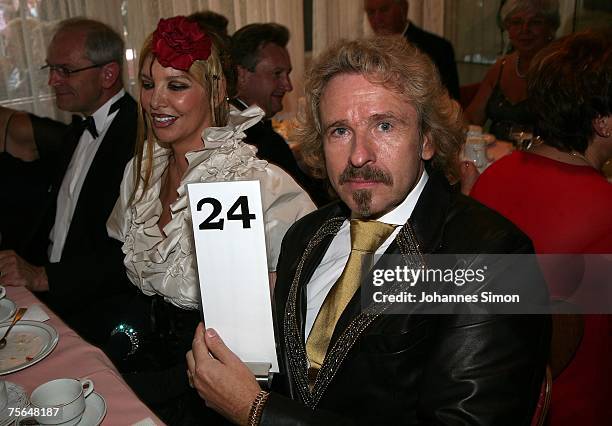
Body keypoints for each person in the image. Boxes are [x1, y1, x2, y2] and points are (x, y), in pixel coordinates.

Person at [186, 36, 551, 425]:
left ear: (427, 139)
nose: (359, 155)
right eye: (340, 131)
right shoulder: (306, 236)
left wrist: (257, 411)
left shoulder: (493, 259)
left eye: (384, 125)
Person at [105, 16, 315, 424]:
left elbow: (299, 310)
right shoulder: (140, 171)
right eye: (148, 85)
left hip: (213, 394)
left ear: (217, 89)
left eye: (177, 86)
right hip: (139, 370)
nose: (155, 102)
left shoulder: (258, 185)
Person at [471, 30, 612, 426]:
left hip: (496, 401)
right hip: (572, 408)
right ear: (601, 122)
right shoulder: (604, 210)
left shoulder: (496, 173)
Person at [0, 18, 137, 343]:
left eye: (65, 70)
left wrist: (45, 277)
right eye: (50, 69)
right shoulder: (77, 129)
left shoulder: (139, 139)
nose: (52, 80)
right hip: (55, 303)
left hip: (101, 317)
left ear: (108, 74)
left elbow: (133, 254)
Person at [230, 23, 327, 206]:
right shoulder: (250, 138)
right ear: (240, 75)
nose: (288, 86)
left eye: (287, 74)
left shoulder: (248, 128)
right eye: (277, 74)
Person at [464, 0, 560, 141]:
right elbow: (472, 119)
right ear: (507, 29)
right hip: (496, 158)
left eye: (535, 22)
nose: (524, 29)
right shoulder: (500, 67)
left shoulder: (562, 70)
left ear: (551, 28)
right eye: (516, 22)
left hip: (543, 159)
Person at [364, 0, 460, 101]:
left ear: (403, 8)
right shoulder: (367, 51)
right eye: (371, 12)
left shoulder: (438, 48)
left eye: (384, 10)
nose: (377, 19)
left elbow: (451, 104)